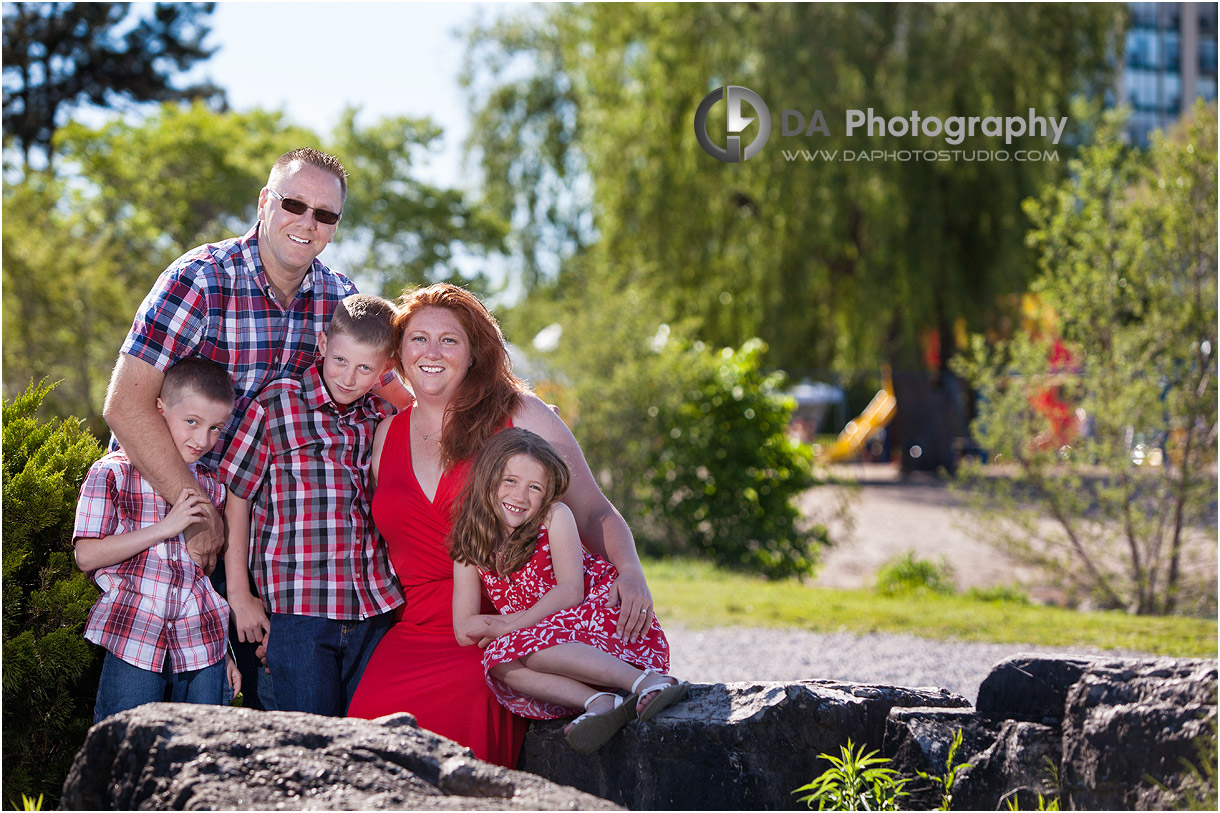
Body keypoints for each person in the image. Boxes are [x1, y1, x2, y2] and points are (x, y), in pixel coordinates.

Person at [102, 147, 411, 704]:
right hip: (169, 532)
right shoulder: (199, 279)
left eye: (325, 215)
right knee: (151, 716)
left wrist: (498, 415)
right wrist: (195, 512)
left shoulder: (338, 301)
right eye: (294, 204)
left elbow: (402, 398)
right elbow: (126, 405)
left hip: (277, 559)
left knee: (253, 725)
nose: (308, 223)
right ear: (266, 202)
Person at [347, 283, 656, 767]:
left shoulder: (519, 414)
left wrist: (631, 570)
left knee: (458, 750)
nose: (432, 352)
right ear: (399, 353)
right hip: (415, 631)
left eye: (449, 340)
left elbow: (593, 510)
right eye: (418, 339)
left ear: (473, 355)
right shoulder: (386, 434)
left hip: (506, 631)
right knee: (364, 746)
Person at [219, 294, 405, 715]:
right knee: (307, 740)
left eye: (365, 369)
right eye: (340, 360)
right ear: (321, 344)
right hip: (299, 608)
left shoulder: (381, 416)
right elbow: (238, 496)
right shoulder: (277, 404)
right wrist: (239, 594)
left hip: (371, 606)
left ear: (384, 370)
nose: (349, 377)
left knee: (365, 738)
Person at [450, 428, 687, 754]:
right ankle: (600, 701)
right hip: (547, 636)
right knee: (499, 663)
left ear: (547, 493)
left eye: (535, 487)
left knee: (530, 646)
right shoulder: (470, 537)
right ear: (487, 479)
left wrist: (506, 625)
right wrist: (505, 629)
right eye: (510, 481)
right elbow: (464, 628)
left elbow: (570, 591)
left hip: (600, 620)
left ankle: (647, 680)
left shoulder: (554, 516)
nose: (520, 497)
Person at [74, 357, 242, 723]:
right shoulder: (113, 472)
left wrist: (227, 653)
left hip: (203, 649)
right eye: (192, 422)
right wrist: (166, 528)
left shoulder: (210, 487)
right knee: (124, 754)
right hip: (135, 636)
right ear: (158, 408)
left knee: (203, 759)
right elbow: (86, 556)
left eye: (215, 428)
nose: (202, 440)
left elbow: (204, 581)